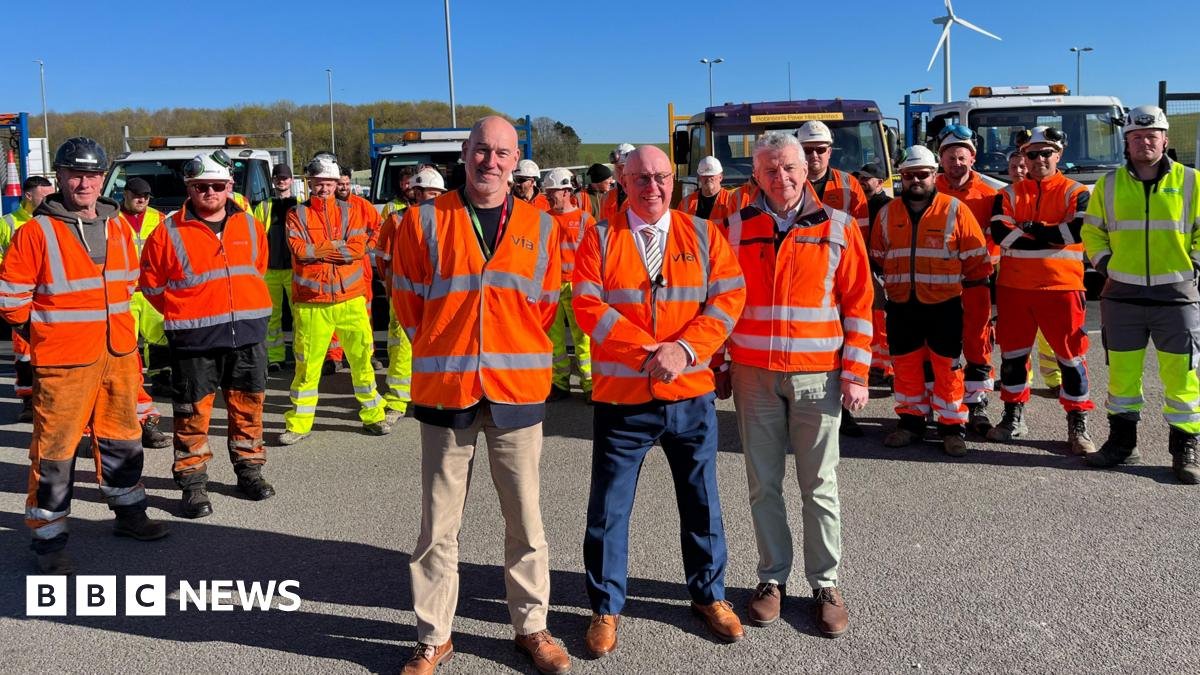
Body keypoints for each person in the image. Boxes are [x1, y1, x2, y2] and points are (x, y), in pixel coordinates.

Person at [391, 116, 570, 675]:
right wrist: (447, 348)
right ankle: (434, 637)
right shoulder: (423, 221)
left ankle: (532, 627)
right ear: (465, 154)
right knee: (438, 526)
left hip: (517, 391)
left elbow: (544, 306)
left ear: (516, 161)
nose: (490, 161)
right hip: (448, 389)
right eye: (481, 150)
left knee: (526, 521)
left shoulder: (542, 227)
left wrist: (503, 347)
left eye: (501, 153)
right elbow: (407, 302)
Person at [572, 146, 747, 654]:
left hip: (690, 395)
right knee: (609, 509)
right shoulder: (599, 237)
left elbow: (729, 297)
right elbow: (587, 305)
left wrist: (685, 349)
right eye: (642, 178)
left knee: (702, 501)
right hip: (623, 399)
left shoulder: (703, 234)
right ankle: (606, 608)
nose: (653, 187)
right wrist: (649, 354)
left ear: (675, 180)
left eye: (661, 177)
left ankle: (709, 596)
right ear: (623, 182)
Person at [720, 131, 871, 638]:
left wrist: (856, 373)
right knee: (763, 484)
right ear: (755, 176)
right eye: (769, 169)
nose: (780, 177)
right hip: (753, 374)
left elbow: (859, 305)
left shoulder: (839, 226)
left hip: (818, 375)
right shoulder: (735, 228)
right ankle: (772, 579)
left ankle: (825, 584)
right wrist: (719, 363)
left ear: (806, 170)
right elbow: (718, 301)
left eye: (788, 167)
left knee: (819, 485)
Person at [0, 137, 168, 573]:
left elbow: (128, 287)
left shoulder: (119, 228)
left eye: (92, 175)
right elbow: (11, 302)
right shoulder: (35, 232)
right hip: (63, 362)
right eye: (75, 174)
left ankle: (129, 514)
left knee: (122, 439)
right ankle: (49, 540)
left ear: (103, 178)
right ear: (59, 176)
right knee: (55, 451)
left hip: (117, 354)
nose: (84, 183)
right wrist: (47, 336)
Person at [139, 150, 275, 518]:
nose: (209, 192)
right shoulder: (167, 232)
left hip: (247, 336)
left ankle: (249, 471)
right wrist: (185, 312)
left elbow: (257, 269)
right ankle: (193, 483)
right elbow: (151, 285)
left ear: (230, 186)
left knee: (248, 409)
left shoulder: (250, 226)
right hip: (193, 341)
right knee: (191, 416)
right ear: (189, 188)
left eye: (217, 185)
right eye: (201, 186)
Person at [1082, 105, 1200, 483]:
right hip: (1122, 295)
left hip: (1177, 296)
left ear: (1165, 140)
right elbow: (1092, 231)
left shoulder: (1192, 181)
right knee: (1122, 377)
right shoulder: (1109, 184)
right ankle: (1122, 444)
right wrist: (1106, 265)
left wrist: (1194, 265)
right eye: (1136, 137)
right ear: (1126, 142)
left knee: (1183, 378)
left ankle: (1185, 449)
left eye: (1151, 136)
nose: (1144, 143)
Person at [869, 146, 992, 457]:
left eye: (922, 174)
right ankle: (911, 422)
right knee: (905, 366)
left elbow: (977, 262)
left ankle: (952, 428)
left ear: (934, 175)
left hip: (944, 306)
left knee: (947, 368)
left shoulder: (955, 210)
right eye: (909, 175)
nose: (915, 181)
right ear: (901, 177)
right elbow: (879, 256)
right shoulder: (888, 213)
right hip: (902, 306)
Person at [988, 127, 1095, 455]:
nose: (1038, 159)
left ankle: (1078, 423)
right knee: (1012, 358)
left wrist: (1031, 230)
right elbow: (1000, 234)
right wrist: (1050, 234)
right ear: (1024, 156)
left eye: (1046, 152)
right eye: (1031, 154)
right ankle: (1012, 416)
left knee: (1071, 359)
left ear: (1058, 155)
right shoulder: (1007, 194)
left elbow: (1076, 232)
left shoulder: (1076, 191)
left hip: (1062, 288)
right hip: (1014, 289)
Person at [277, 155, 390, 445]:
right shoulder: (296, 214)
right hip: (312, 302)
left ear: (336, 183)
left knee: (362, 360)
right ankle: (299, 424)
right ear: (309, 183)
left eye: (329, 183)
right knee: (307, 366)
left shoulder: (351, 211)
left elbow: (357, 249)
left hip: (350, 298)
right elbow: (300, 251)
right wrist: (337, 247)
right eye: (319, 183)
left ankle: (373, 416)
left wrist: (320, 249)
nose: (324, 188)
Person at [934, 126, 1000, 435]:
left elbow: (996, 239)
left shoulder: (990, 194)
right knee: (940, 347)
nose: (956, 163)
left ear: (972, 159)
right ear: (941, 159)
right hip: (936, 283)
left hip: (976, 282)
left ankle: (977, 406)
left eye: (962, 157)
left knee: (977, 345)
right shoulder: (929, 190)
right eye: (950, 157)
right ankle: (944, 405)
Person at [375, 167, 446, 424]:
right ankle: (397, 400)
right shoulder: (396, 220)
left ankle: (431, 396)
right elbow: (383, 260)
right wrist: (392, 289)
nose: (434, 198)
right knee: (401, 347)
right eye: (429, 192)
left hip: (438, 295)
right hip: (404, 296)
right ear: (415, 192)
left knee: (436, 345)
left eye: (437, 193)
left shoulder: (450, 220)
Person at [118, 177, 171, 449]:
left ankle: (161, 379)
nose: (142, 200)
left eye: (147, 196)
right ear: (126, 194)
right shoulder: (112, 219)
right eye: (138, 195)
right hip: (125, 294)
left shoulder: (159, 218)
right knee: (126, 350)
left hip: (151, 290)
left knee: (160, 338)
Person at [2, 175, 54, 422]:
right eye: (45, 196)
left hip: (49, 296)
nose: (50, 200)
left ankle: (49, 399)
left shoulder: (54, 221)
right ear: (28, 196)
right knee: (24, 353)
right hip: (21, 296)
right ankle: (28, 400)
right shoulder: (8, 223)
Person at [543, 167, 594, 401]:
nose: (548, 196)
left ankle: (589, 384)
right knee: (554, 338)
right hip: (551, 286)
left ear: (565, 191)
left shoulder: (585, 220)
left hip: (576, 285)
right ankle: (560, 383)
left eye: (552, 192)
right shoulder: (544, 220)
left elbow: (595, 255)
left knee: (583, 337)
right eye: (547, 192)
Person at [252, 163, 299, 371]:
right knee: (272, 317)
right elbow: (255, 238)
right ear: (272, 180)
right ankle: (275, 358)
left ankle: (300, 357)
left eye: (285, 178)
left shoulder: (300, 205)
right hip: (269, 269)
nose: (281, 181)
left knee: (299, 315)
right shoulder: (262, 207)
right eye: (278, 178)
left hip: (294, 270)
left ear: (291, 180)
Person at [853, 162, 894, 386]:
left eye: (866, 179)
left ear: (879, 182)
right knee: (870, 319)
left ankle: (886, 367)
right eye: (860, 178)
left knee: (882, 320)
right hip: (865, 268)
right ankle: (877, 365)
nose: (862, 182)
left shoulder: (886, 206)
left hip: (879, 270)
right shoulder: (862, 204)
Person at [796, 121, 869, 229]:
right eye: (808, 150)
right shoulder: (790, 183)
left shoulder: (850, 183)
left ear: (829, 152)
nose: (814, 155)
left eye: (820, 150)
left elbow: (861, 226)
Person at [680, 156, 745, 220]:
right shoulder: (686, 203)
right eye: (705, 175)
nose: (708, 178)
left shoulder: (732, 201)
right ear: (699, 178)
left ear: (721, 177)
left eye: (712, 175)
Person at [599, 143, 635, 220]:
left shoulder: (644, 195)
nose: (622, 172)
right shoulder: (606, 197)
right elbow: (603, 224)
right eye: (619, 168)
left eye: (625, 167)